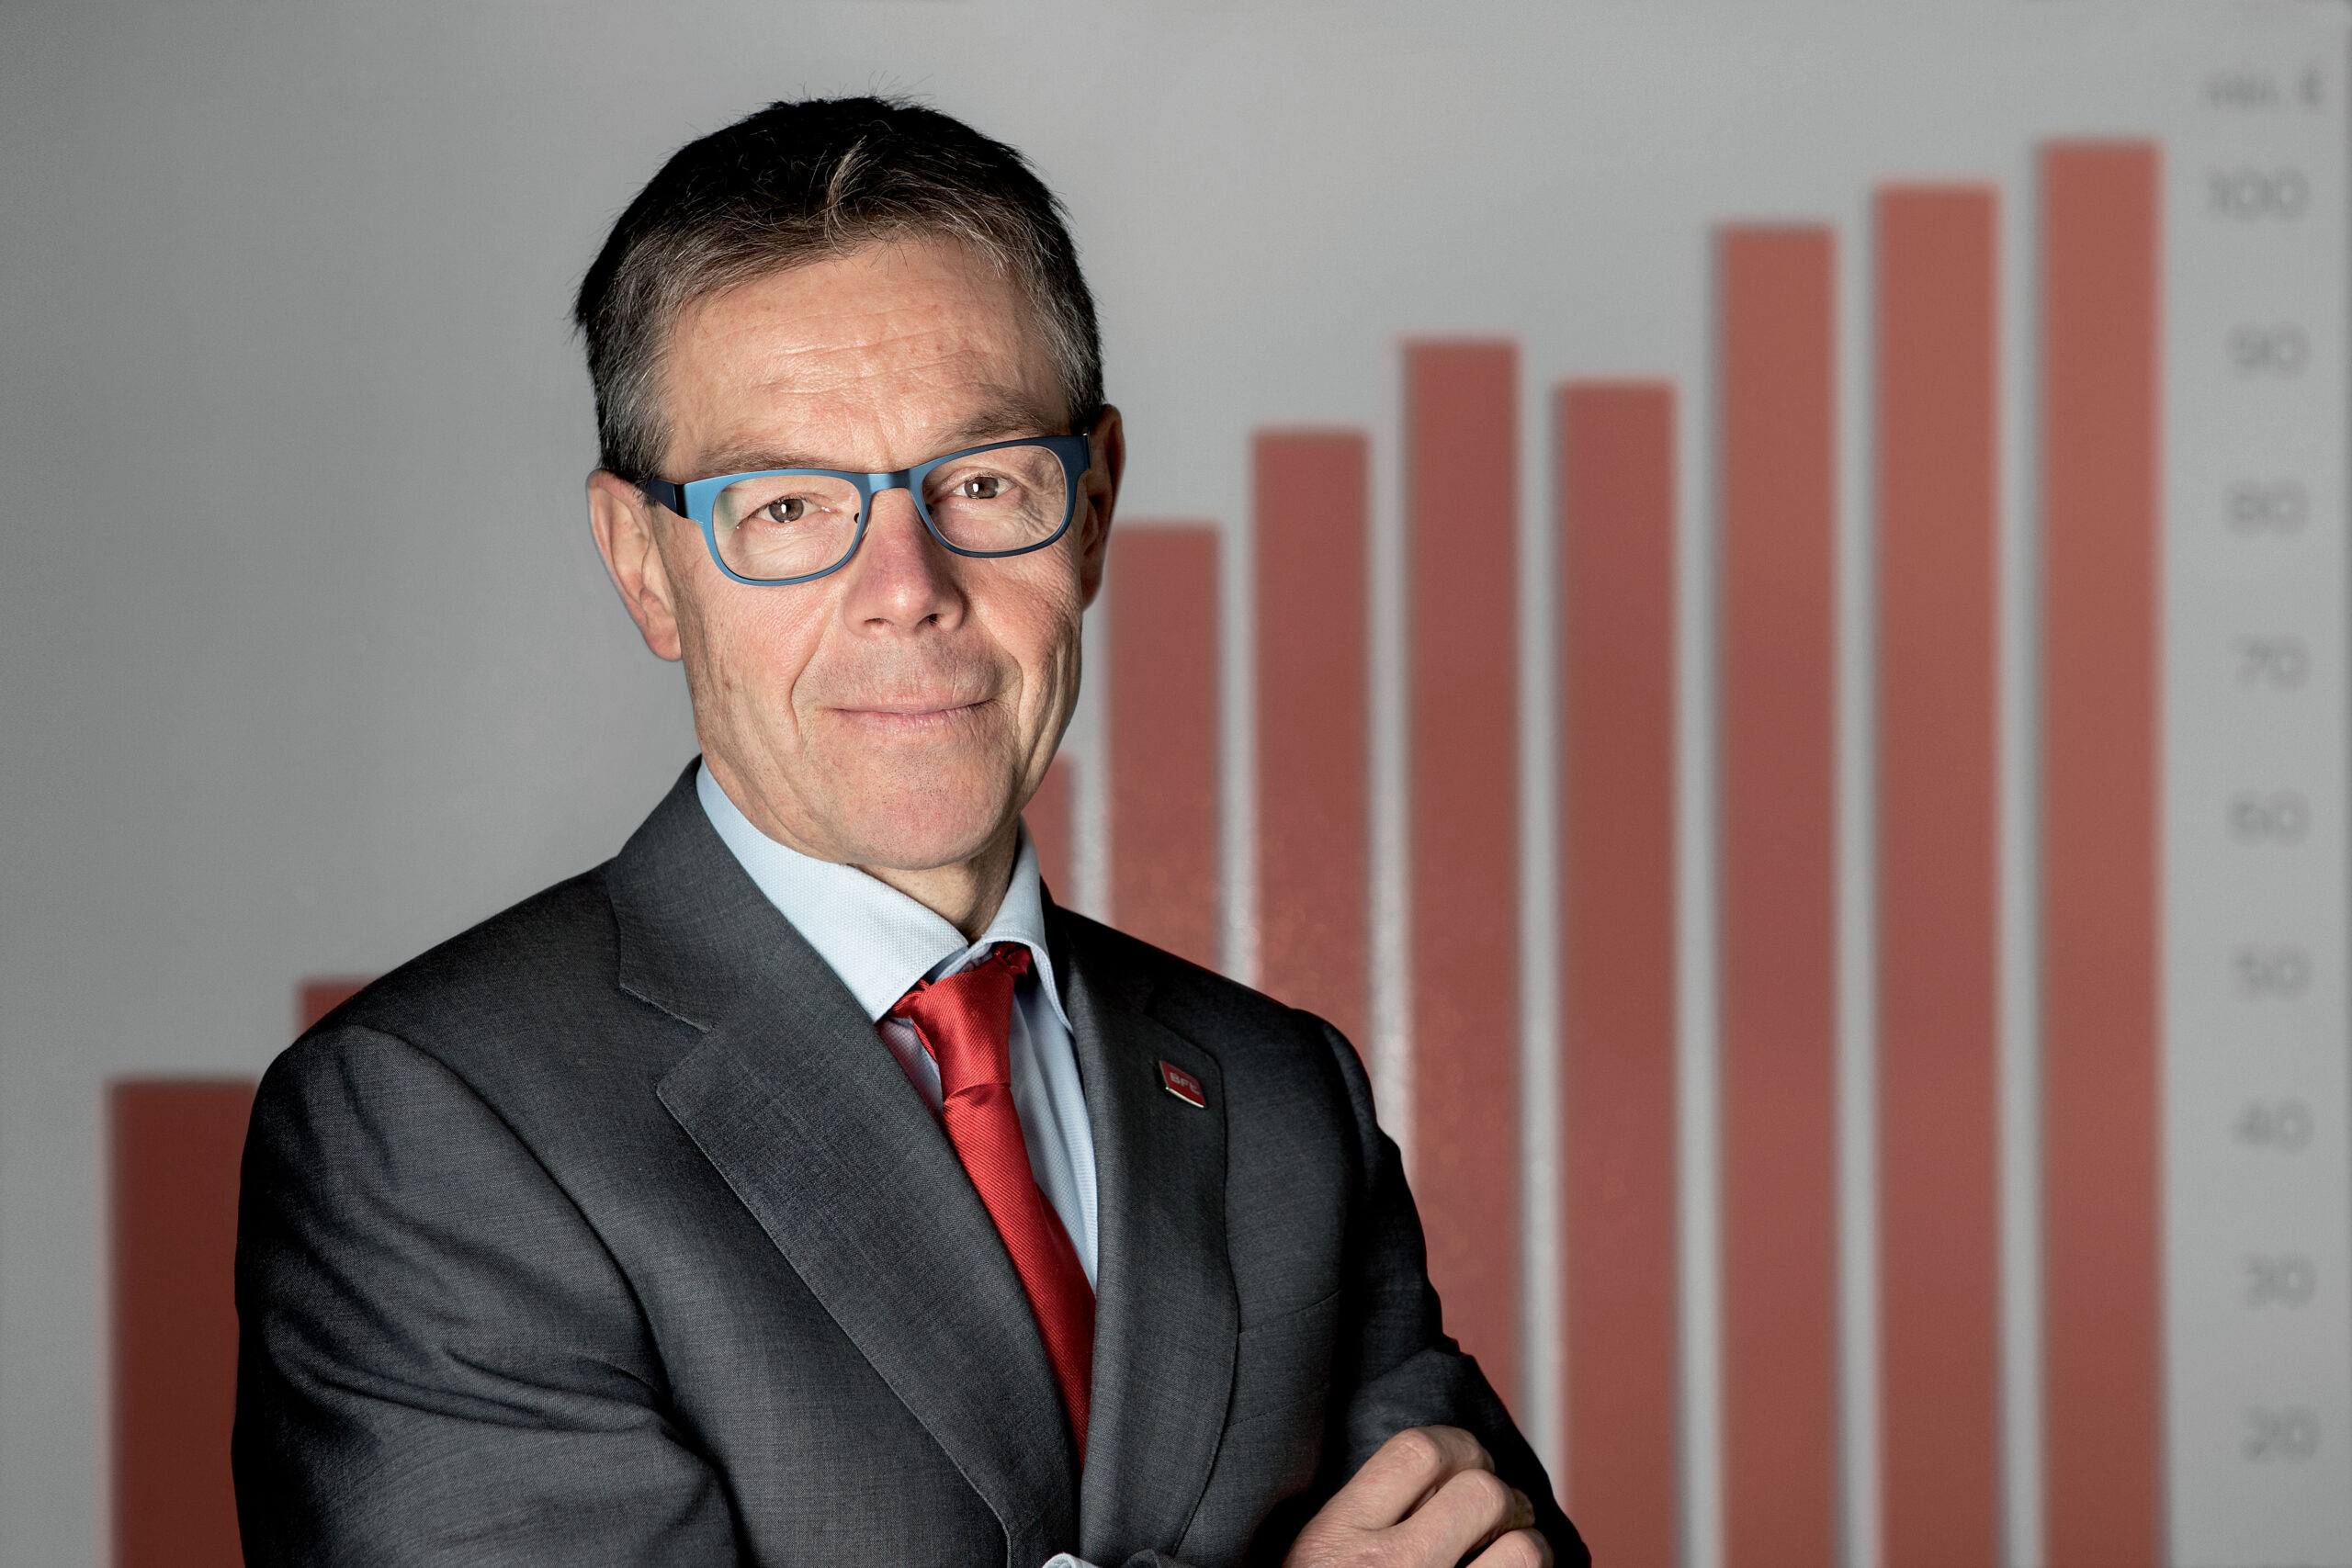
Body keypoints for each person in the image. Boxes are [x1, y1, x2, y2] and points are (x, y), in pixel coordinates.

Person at [232, 96, 1585, 1568]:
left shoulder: (1278, 1093)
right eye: (788, 507)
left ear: (1093, 508)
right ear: (645, 564)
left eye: (982, 484)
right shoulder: (433, 1122)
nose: (907, 590)